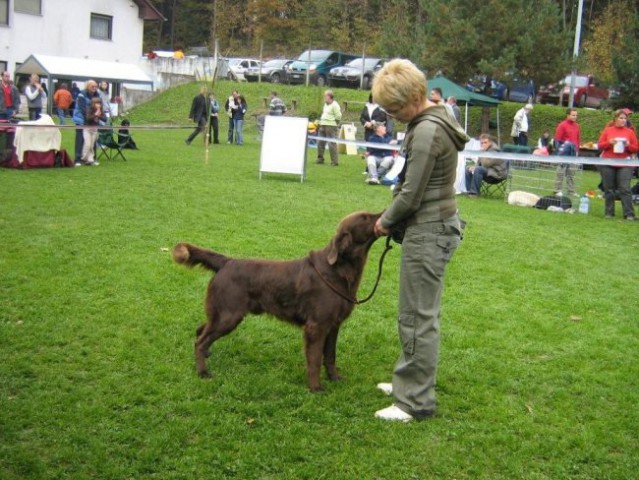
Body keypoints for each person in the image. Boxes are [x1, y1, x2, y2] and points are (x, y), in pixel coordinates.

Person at [371, 59, 470, 422]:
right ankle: (408, 382)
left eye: (394, 108)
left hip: (429, 229)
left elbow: (411, 195)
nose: (391, 115)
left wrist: (384, 222)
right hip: (433, 225)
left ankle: (414, 401)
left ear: (414, 96)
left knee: (418, 316)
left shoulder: (428, 131)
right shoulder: (433, 119)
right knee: (416, 313)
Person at [597, 109, 639, 220]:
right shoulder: (608, 130)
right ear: (615, 119)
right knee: (609, 189)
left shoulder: (630, 132)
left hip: (624, 163)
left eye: (625, 118)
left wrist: (628, 145)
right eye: (621, 118)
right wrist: (609, 143)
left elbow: (636, 148)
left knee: (625, 188)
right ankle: (609, 213)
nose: (623, 120)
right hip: (608, 162)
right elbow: (600, 146)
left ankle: (629, 214)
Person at [553, 108, 581, 196]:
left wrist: (577, 150)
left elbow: (578, 139)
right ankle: (557, 190)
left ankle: (571, 191)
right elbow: (558, 140)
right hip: (564, 153)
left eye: (576, 115)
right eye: (573, 115)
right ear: (568, 115)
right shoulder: (562, 125)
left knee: (571, 173)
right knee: (560, 172)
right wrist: (560, 153)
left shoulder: (577, 126)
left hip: (574, 153)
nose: (575, 117)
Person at [72, 80, 100, 166]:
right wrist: (89, 119)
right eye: (92, 86)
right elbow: (82, 109)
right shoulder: (82, 95)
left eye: (96, 86)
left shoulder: (97, 95)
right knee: (80, 139)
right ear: (88, 86)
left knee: (93, 140)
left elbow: (99, 106)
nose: (94, 88)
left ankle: (91, 158)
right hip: (81, 119)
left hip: (92, 120)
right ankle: (77, 159)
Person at [316, 90, 342, 166]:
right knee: (320, 142)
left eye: (325, 96)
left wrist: (334, 123)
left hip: (330, 126)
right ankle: (320, 158)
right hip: (322, 125)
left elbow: (338, 116)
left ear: (329, 97)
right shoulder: (325, 105)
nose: (324, 97)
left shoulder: (335, 105)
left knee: (331, 144)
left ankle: (334, 161)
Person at [81, 97, 105, 166]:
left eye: (99, 103)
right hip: (87, 129)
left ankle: (90, 160)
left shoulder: (101, 110)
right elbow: (88, 119)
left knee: (92, 145)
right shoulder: (89, 109)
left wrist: (99, 115)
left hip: (94, 130)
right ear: (93, 104)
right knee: (87, 144)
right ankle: (84, 158)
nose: (98, 105)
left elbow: (105, 119)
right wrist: (95, 115)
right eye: (97, 103)